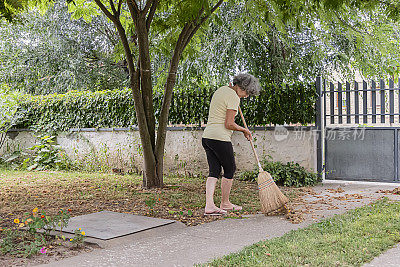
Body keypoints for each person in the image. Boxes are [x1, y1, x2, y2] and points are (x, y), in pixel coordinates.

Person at [202, 73, 261, 215]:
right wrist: (244, 129)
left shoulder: (221, 90)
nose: (246, 96)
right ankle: (225, 203)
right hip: (220, 138)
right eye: (246, 92)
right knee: (230, 169)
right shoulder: (234, 97)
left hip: (207, 137)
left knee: (214, 170)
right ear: (241, 87)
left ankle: (209, 206)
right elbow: (228, 124)